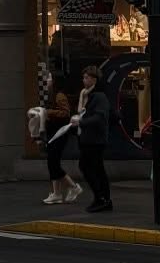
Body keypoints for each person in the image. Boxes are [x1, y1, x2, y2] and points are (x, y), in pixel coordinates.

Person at [75, 65, 112, 213]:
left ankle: (101, 198)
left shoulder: (99, 96)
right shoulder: (86, 95)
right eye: (83, 77)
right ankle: (103, 199)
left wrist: (81, 122)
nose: (83, 80)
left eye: (86, 77)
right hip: (87, 138)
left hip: (95, 139)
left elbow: (99, 117)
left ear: (94, 79)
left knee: (88, 167)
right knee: (95, 168)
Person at [40, 87, 81, 206]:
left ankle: (73, 187)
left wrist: (48, 112)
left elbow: (65, 113)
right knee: (52, 163)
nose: (46, 82)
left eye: (49, 79)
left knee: (53, 163)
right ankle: (56, 194)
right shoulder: (50, 96)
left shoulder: (59, 95)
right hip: (53, 133)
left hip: (59, 134)